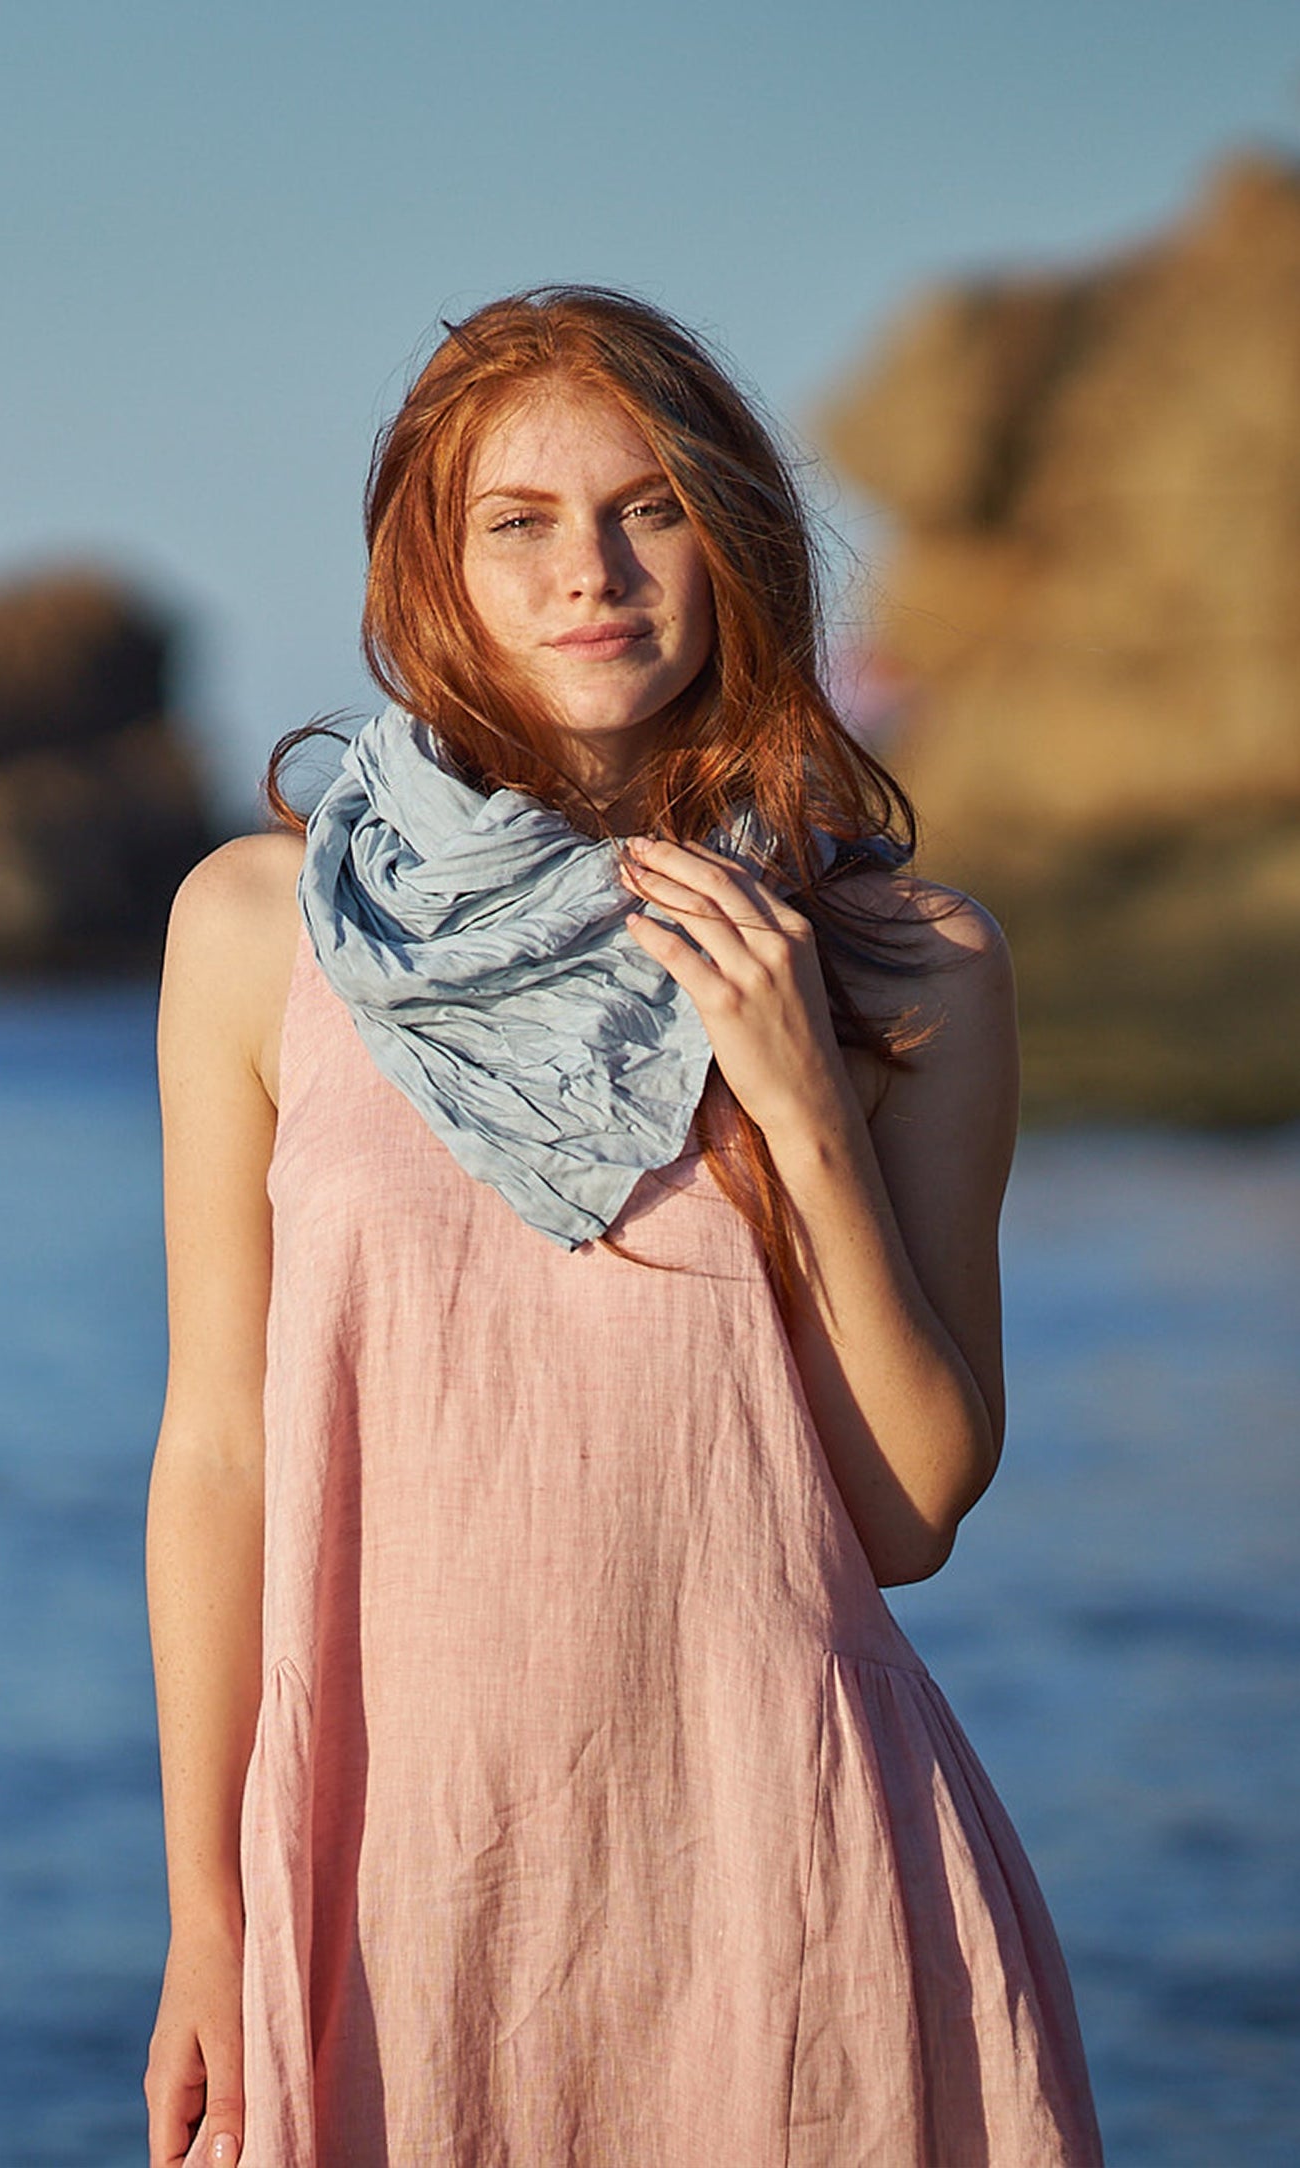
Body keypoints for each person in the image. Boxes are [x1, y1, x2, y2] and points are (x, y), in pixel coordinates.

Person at [144, 286, 1104, 2167]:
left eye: (645, 507)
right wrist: (204, 1910)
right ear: (433, 564)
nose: (587, 570)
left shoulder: (907, 965)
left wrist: (802, 1104)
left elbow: (907, 1517)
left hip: (784, 1859)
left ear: (728, 538)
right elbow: (220, 1455)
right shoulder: (261, 931)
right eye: (517, 520)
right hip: (396, 1869)